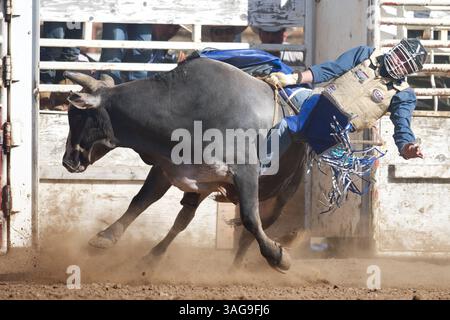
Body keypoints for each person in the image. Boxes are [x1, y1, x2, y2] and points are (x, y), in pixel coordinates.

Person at [263, 38, 428, 163]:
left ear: (411, 71)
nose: (400, 64)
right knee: (271, 96)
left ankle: (259, 166)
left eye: (406, 65)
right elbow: (331, 69)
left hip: (334, 128)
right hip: (316, 99)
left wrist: (408, 147)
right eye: (401, 56)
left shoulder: (403, 94)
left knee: (286, 127)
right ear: (395, 49)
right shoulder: (365, 54)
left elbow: (402, 126)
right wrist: (292, 78)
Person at [99, 24, 181, 84]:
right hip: (119, 8)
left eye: (176, 27)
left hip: (142, 9)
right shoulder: (161, 48)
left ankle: (136, 90)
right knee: (113, 51)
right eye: (170, 26)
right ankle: (110, 90)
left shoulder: (163, 50)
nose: (171, 31)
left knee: (141, 53)